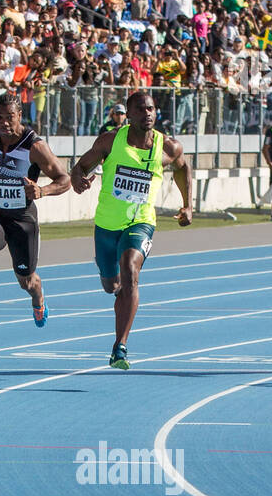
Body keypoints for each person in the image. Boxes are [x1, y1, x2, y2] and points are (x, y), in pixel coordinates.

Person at [69, 89, 193, 369]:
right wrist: (78, 179)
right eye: (140, 109)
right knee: (111, 285)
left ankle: (120, 346)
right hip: (107, 224)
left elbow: (182, 168)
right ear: (129, 114)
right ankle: (117, 289)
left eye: (151, 109)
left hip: (141, 221)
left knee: (130, 271)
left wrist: (188, 205)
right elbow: (81, 167)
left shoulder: (168, 146)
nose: (147, 114)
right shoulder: (111, 140)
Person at [0, 92, 72, 350]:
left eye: (9, 117)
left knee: (26, 280)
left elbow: (65, 180)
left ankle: (38, 298)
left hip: (22, 219)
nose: (4, 123)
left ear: (20, 116)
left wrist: (42, 191)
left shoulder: (34, 146)